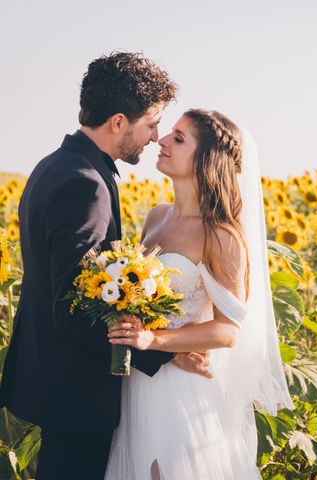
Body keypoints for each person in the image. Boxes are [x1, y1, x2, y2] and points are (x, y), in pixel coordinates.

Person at [0, 52, 210, 480]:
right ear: (118, 122)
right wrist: (162, 354)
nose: (155, 137)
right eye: (151, 123)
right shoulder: (84, 184)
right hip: (75, 391)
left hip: (53, 378)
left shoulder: (54, 165)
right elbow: (76, 305)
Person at [105, 109, 294, 479]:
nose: (161, 141)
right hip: (140, 381)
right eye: (169, 133)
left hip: (181, 391)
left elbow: (228, 330)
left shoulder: (220, 234)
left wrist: (154, 339)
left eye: (178, 138)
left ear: (207, 159)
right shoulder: (156, 217)